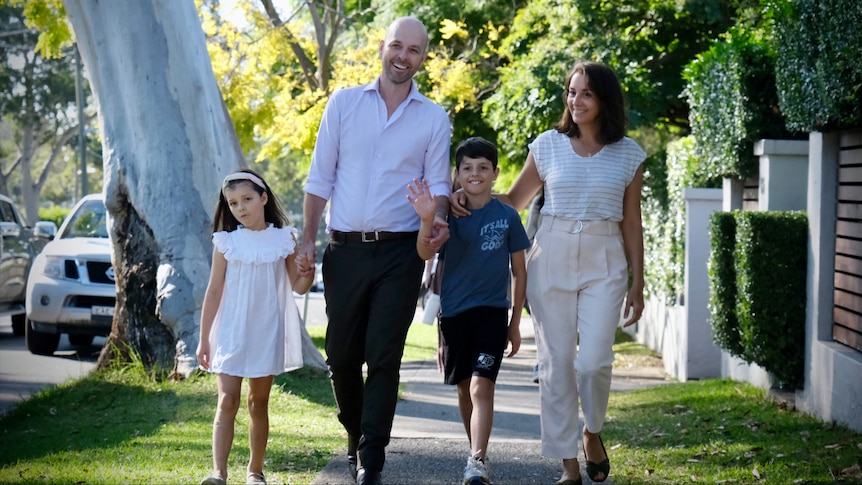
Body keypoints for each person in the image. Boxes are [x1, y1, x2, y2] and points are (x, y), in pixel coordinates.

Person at [451, 61, 646, 485]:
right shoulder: (548, 144)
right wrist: (464, 195)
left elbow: (633, 222)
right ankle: (568, 466)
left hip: (606, 257)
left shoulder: (629, 154)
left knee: (594, 361)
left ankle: (592, 432)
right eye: (572, 92)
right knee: (556, 364)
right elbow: (514, 200)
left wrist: (639, 281)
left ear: (605, 100)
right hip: (551, 252)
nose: (576, 101)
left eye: (587, 93)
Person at [298, 16, 452, 485]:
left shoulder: (433, 117)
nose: (403, 57)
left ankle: (372, 457)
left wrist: (436, 220)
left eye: (414, 51)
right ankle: (355, 434)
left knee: (383, 355)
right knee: (341, 358)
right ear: (382, 47)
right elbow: (320, 176)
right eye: (397, 46)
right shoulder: (343, 104)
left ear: (424, 58)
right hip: (343, 251)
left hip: (400, 255)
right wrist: (307, 236)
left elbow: (439, 188)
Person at [408, 136, 530, 485]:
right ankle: (475, 453)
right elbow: (426, 255)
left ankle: (477, 459)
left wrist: (515, 323)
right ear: (456, 175)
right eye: (467, 168)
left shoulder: (508, 217)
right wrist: (431, 216)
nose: (475, 174)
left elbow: (520, 272)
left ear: (495, 173)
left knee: (481, 387)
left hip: (492, 314)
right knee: (463, 388)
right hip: (453, 315)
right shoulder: (450, 215)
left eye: (482, 168)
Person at [197, 169, 314, 485]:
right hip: (232, 331)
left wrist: (308, 272)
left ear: (263, 198)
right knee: (228, 400)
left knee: (257, 402)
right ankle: (219, 473)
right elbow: (214, 291)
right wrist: (204, 339)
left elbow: (298, 286)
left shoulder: (284, 238)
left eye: (247, 199)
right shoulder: (226, 242)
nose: (240, 208)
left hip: (266, 331)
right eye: (233, 203)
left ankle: (255, 472)